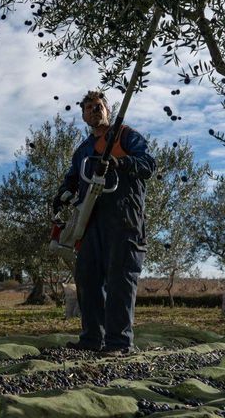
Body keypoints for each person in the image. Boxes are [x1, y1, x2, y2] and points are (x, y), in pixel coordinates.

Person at [54, 90, 156, 354]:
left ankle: (119, 343)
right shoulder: (83, 151)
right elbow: (72, 179)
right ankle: (91, 339)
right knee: (88, 279)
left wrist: (120, 163)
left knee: (121, 280)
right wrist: (63, 194)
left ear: (107, 111)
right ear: (83, 116)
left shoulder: (126, 136)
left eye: (98, 106)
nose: (94, 111)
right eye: (88, 108)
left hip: (125, 219)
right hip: (91, 222)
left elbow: (148, 164)